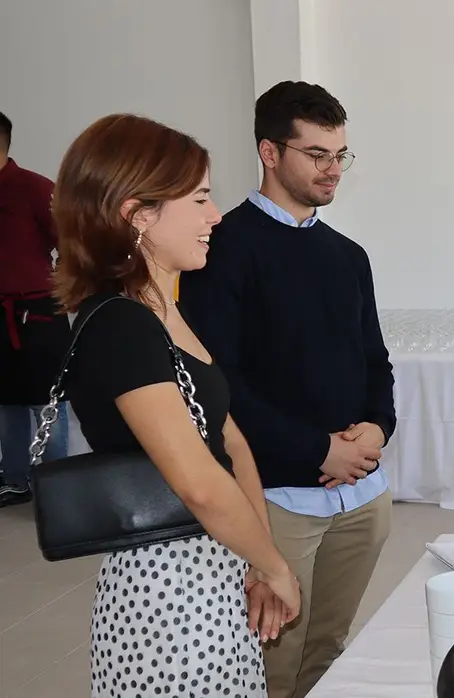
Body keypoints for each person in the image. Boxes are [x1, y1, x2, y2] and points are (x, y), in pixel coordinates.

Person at [51, 113, 300, 698]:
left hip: (216, 568)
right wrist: (276, 568)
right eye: (199, 199)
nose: (215, 217)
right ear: (138, 215)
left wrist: (258, 560)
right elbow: (199, 483)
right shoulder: (121, 326)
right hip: (167, 596)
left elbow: (230, 440)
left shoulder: (161, 311)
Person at [178, 80, 395, 698]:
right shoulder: (222, 248)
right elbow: (218, 383)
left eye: (340, 155)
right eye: (316, 154)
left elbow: (376, 360)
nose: (333, 170)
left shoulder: (347, 256)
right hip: (276, 495)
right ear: (270, 153)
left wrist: (378, 428)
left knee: (329, 651)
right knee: (272, 657)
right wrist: (316, 450)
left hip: (361, 495)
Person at [0, 111, 71, 507]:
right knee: (6, 402)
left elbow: (70, 243)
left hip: (38, 312)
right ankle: (15, 480)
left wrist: (59, 288)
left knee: (48, 403)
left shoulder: (33, 188)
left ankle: (57, 488)